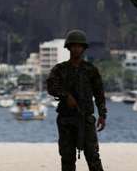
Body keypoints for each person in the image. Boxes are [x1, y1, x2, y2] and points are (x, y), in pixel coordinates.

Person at [46, 29, 107, 171]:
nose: (76, 49)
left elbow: (99, 94)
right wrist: (66, 95)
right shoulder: (60, 69)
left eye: (79, 46)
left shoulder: (91, 70)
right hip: (66, 120)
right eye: (73, 46)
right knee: (67, 159)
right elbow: (51, 87)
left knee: (93, 157)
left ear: (84, 48)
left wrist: (102, 115)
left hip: (86, 119)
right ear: (68, 47)